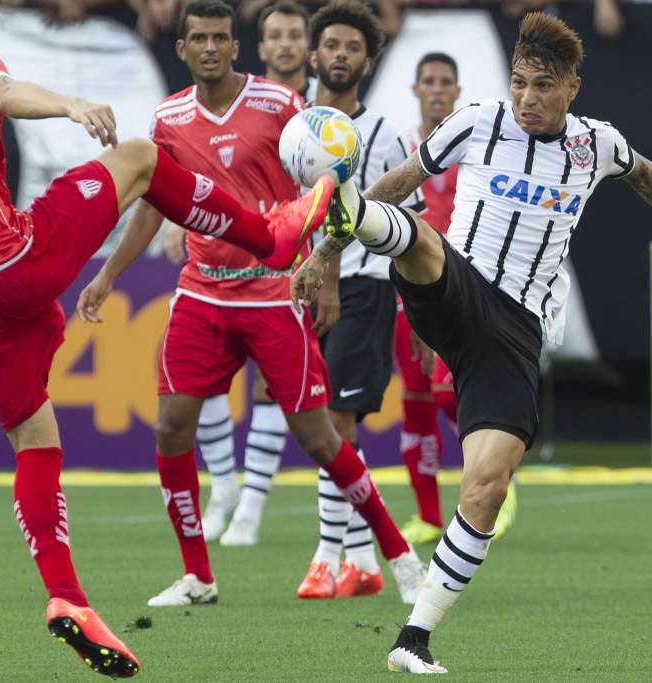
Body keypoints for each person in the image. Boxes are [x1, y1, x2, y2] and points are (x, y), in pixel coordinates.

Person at [0, 2, 334, 677]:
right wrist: (69, 104)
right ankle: (270, 235)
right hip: (9, 264)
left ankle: (67, 596)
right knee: (144, 158)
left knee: (35, 440)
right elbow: (1, 90)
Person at [291, 12, 652, 674]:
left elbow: (648, 175)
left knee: (486, 486)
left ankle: (412, 639)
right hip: (460, 283)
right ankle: (335, 209)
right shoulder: (480, 120)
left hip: (513, 334)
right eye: (519, 83)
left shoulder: (598, 145)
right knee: (421, 236)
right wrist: (331, 250)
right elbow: (403, 182)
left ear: (573, 86)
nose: (527, 98)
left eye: (542, 85)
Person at [76, 0, 425, 609]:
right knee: (170, 426)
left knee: (320, 439)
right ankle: (198, 576)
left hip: (271, 290)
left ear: (237, 46)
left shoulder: (282, 107)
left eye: (220, 37)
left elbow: (329, 186)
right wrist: (108, 274)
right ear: (181, 50)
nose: (210, 48)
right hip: (202, 289)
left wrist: (328, 269)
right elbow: (156, 204)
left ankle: (398, 555)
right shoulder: (169, 119)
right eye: (198, 39)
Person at [168, 0, 316, 548]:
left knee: (286, 399)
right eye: (274, 34)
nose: (284, 44)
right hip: (210, 274)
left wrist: (321, 262)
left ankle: (252, 505)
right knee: (196, 385)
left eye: (293, 35)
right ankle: (226, 489)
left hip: (283, 271)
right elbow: (179, 179)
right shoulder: (180, 114)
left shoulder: (299, 110)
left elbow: (319, 189)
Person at [294, 0, 419, 602]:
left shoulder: (388, 134)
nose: (340, 56)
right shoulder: (294, 128)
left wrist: (418, 303)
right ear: (314, 55)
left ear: (367, 61)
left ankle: (325, 558)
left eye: (353, 48)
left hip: (364, 289)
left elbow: (409, 222)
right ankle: (365, 560)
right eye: (332, 46)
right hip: (299, 287)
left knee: (335, 423)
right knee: (327, 429)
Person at [392, 52, 519, 546]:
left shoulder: (476, 153)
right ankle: (427, 515)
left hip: (465, 291)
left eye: (446, 81)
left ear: (457, 92)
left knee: (451, 394)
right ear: (416, 90)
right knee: (416, 404)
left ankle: (499, 476)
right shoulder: (403, 151)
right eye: (429, 81)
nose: (438, 89)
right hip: (411, 292)